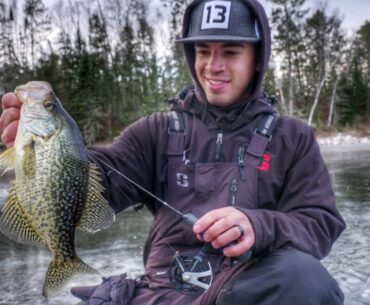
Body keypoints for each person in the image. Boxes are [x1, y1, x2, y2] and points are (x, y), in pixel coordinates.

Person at [0, 0, 346, 304]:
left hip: (245, 288)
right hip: (161, 292)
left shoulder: (293, 137)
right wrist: (50, 160)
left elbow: (319, 224)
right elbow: (103, 176)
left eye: (230, 51)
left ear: (257, 58)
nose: (214, 65)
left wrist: (258, 225)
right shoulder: (156, 130)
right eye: (204, 50)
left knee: (305, 278)